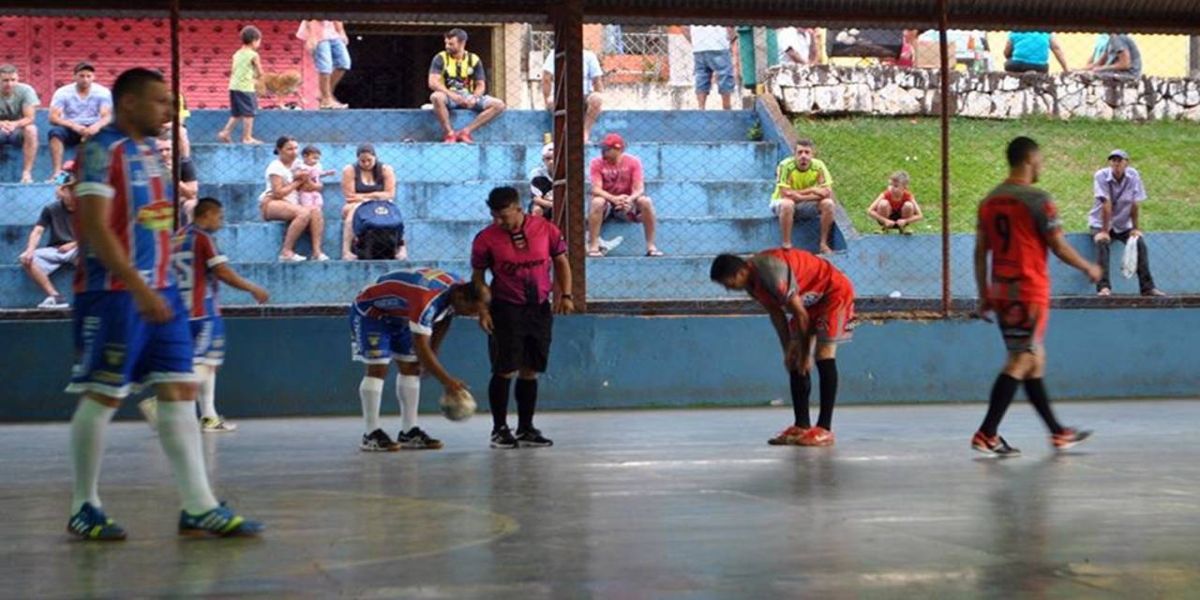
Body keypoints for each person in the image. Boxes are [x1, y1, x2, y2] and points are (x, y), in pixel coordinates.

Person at [64, 68, 262, 540]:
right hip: (113, 293)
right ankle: (83, 506)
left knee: (180, 390)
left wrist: (162, 280)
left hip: (161, 291)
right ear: (129, 103)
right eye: (160, 101)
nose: (170, 111)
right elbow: (95, 227)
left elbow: (153, 224)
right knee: (104, 393)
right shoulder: (100, 150)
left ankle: (199, 506)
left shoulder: (153, 152)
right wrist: (138, 285)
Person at [971, 136, 1101, 456]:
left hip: (1002, 291)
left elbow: (980, 252)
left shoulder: (989, 201)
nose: (1042, 165)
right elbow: (1058, 245)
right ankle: (987, 433)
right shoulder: (1038, 200)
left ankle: (1058, 432)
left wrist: (984, 293)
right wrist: (1088, 266)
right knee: (1022, 359)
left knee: (1034, 360)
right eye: (1040, 159)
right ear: (1029, 160)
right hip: (1028, 291)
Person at [138, 198, 271, 433]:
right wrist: (252, 288)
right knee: (208, 363)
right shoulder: (204, 238)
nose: (221, 221)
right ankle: (162, 403)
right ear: (207, 214)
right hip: (203, 312)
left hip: (179, 311)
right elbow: (222, 272)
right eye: (219, 216)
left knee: (200, 364)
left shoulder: (177, 237)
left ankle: (209, 416)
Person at [709, 249, 855, 447]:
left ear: (741, 272)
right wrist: (788, 350)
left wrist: (805, 354)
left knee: (823, 354)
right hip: (808, 299)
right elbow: (776, 314)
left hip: (833, 292)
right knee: (794, 358)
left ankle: (824, 429)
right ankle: (801, 425)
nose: (728, 288)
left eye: (728, 283)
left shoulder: (771, 272)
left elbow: (801, 315)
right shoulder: (751, 284)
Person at [471, 186, 573, 449]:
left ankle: (526, 428)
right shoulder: (485, 239)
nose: (499, 221)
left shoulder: (546, 229)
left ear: (518, 208)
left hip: (538, 307)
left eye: (504, 216)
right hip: (506, 309)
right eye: (495, 216)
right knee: (504, 368)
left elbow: (561, 261)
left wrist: (565, 295)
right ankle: (499, 429)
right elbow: (478, 278)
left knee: (530, 369)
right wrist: (483, 309)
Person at [351, 268, 485, 451]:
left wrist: (433, 353)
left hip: (401, 315)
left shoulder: (458, 288)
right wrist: (447, 381)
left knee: (411, 368)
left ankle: (409, 432)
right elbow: (421, 347)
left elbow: (445, 316)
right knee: (378, 369)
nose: (472, 315)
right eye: (471, 310)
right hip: (371, 313)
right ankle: (371, 434)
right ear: (461, 298)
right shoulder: (426, 300)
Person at [1088, 149, 1164, 297]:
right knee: (1102, 243)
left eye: (1120, 160)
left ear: (1126, 163)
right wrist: (1104, 231)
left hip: (1123, 223)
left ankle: (1147, 288)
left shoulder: (1133, 175)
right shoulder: (1101, 175)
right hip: (1100, 222)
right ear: (1110, 163)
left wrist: (1135, 228)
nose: (1116, 164)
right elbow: (1106, 203)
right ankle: (1103, 288)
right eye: (1113, 160)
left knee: (1139, 243)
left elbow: (1135, 203)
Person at [588, 133, 661, 257]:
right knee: (597, 201)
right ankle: (593, 246)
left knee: (646, 201)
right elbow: (596, 189)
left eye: (607, 149)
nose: (603, 152)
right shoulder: (596, 163)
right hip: (607, 202)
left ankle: (651, 246)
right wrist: (613, 198)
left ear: (618, 149)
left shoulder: (633, 162)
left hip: (627, 203)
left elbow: (639, 188)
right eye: (603, 149)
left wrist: (629, 199)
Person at [428, 28, 506, 144]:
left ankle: (466, 131)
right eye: (446, 43)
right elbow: (433, 82)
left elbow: (481, 84)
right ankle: (449, 133)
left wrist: (474, 97)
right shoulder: (440, 58)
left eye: (451, 44)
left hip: (468, 95)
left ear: (462, 43)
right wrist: (452, 95)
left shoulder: (473, 59)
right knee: (435, 97)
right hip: (448, 95)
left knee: (499, 105)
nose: (447, 46)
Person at [260, 136, 328, 262]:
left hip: (294, 203)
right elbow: (278, 193)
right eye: (289, 149)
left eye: (296, 148)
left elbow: (315, 186)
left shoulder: (299, 164)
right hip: (272, 202)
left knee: (316, 211)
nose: (294, 152)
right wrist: (298, 182)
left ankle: (317, 252)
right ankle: (286, 252)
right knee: (303, 212)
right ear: (279, 150)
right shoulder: (275, 167)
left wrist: (313, 184)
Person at [18, 166, 77, 308]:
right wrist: (30, 250)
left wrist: (73, 244)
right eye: (69, 189)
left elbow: (92, 233)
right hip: (56, 249)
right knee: (26, 258)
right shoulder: (51, 208)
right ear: (62, 190)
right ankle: (55, 297)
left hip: (77, 247)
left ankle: (90, 298)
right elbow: (38, 231)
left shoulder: (86, 208)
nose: (73, 193)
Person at [48, 62, 112, 178]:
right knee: (55, 133)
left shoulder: (102, 92)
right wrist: (74, 126)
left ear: (93, 77)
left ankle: (104, 173)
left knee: (108, 133)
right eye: (81, 76)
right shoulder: (63, 92)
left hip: (93, 126)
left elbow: (107, 116)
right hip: (71, 126)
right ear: (74, 77)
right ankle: (57, 172)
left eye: (88, 76)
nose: (85, 79)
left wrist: (96, 126)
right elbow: (53, 117)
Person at [771, 138, 835, 254]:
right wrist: (813, 191)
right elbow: (785, 194)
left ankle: (823, 244)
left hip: (804, 204)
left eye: (807, 152)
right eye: (800, 152)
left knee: (828, 204)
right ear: (794, 155)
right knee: (787, 204)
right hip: (780, 204)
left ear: (812, 155)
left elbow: (827, 193)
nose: (803, 156)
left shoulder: (819, 166)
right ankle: (786, 245)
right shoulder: (785, 166)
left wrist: (800, 196)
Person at [340, 143, 399, 260]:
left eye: (369, 160)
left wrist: (365, 197)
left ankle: (401, 249)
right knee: (353, 211)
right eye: (362, 161)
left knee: (394, 213)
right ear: (357, 159)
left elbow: (390, 194)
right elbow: (350, 197)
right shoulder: (350, 170)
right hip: (355, 205)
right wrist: (376, 195)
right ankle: (346, 251)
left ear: (375, 157)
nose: (366, 163)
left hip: (381, 204)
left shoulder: (386, 169)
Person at [541, 48, 604, 143]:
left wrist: (598, 101)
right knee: (552, 101)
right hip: (562, 96)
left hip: (584, 95)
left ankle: (585, 132)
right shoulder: (555, 54)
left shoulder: (589, 56)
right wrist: (546, 100)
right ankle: (567, 131)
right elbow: (546, 78)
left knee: (597, 99)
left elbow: (597, 80)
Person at [217, 26, 264, 144]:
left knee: (237, 113)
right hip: (245, 87)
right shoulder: (253, 55)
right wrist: (258, 78)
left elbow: (233, 70)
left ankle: (225, 132)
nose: (259, 44)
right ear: (254, 41)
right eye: (259, 41)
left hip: (234, 86)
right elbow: (260, 72)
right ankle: (247, 137)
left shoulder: (237, 54)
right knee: (249, 113)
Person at [0, 64, 40, 183]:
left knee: (32, 130)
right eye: (5, 80)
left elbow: (30, 118)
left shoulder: (26, 90)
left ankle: (27, 173)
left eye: (13, 80)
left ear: (18, 79)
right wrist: (2, 124)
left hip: (18, 129)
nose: (9, 84)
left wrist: (13, 125)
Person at [299, 20, 351, 109]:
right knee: (325, 66)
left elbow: (337, 14)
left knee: (344, 63)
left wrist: (341, 31)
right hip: (318, 32)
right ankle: (326, 99)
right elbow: (311, 16)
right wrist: (312, 35)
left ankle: (325, 94)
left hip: (333, 32)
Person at [687, 25, 737, 110]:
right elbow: (730, 25)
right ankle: (726, 107)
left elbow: (684, 27)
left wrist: (694, 41)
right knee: (724, 74)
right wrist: (732, 38)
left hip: (699, 45)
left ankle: (701, 107)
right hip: (719, 43)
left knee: (701, 76)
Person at [155, 133, 199, 223]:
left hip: (179, 200)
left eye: (168, 149)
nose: (164, 154)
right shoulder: (151, 164)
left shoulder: (184, 163)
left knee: (191, 204)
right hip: (156, 200)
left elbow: (191, 194)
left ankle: (189, 231)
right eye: (160, 150)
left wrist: (172, 176)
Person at [1003, 31, 1069, 73]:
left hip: (1019, 64)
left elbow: (1006, 52)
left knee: (1008, 63)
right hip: (1040, 66)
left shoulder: (1016, 30)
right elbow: (1056, 48)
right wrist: (1066, 69)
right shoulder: (1047, 31)